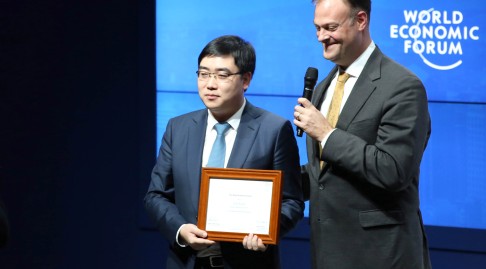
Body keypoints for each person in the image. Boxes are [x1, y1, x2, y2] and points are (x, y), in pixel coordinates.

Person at [145, 35, 304, 269]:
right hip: (187, 261)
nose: (210, 84)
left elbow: (292, 201)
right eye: (203, 74)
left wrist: (266, 232)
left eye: (222, 75)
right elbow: (156, 195)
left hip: (247, 262)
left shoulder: (273, 129)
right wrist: (180, 229)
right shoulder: (178, 128)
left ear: (246, 79)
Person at [293, 0, 432, 268]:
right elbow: (324, 176)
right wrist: (271, 184)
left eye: (330, 27)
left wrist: (327, 135)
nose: (322, 36)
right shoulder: (324, 86)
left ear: (360, 21)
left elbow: (393, 170)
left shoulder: (403, 87)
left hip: (382, 255)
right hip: (327, 253)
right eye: (317, 28)